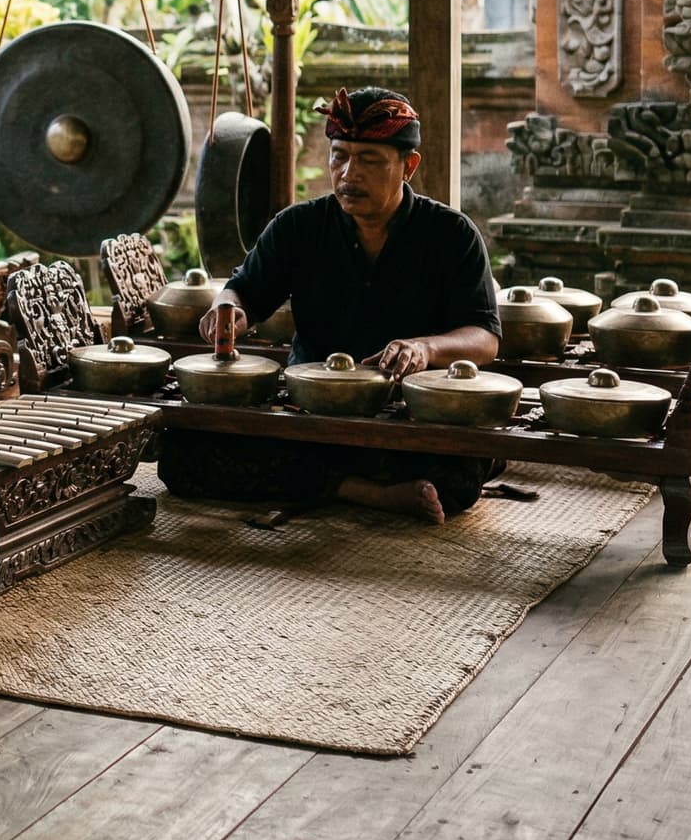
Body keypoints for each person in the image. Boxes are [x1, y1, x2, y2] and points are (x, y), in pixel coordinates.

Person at [163, 87, 503, 524]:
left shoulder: (452, 235)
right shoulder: (298, 227)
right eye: (339, 156)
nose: (348, 174)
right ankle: (365, 492)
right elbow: (242, 290)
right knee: (182, 455)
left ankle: (327, 484)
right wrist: (228, 308)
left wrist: (426, 349)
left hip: (406, 415)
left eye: (369, 160)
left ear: (408, 166)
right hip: (312, 414)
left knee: (462, 469)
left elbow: (484, 337)